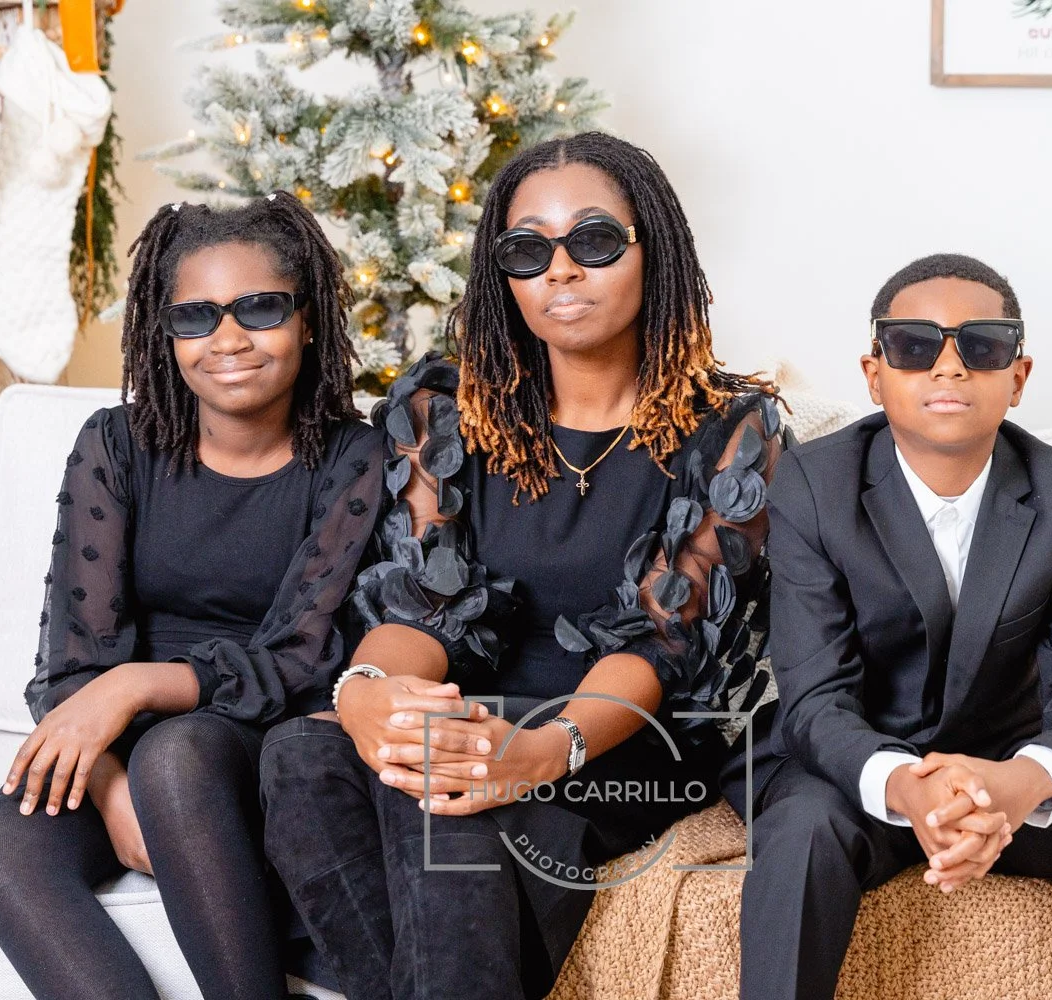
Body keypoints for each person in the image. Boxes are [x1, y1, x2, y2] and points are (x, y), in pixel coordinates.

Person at [258, 131, 785, 1000]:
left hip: (618, 744)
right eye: (528, 248)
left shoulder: (734, 430)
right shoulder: (445, 409)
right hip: (472, 718)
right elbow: (421, 605)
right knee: (300, 757)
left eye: (594, 240)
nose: (561, 270)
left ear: (655, 252)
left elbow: (665, 643)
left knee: (448, 786)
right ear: (502, 273)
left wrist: (540, 751)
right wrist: (370, 696)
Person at [0, 191, 384, 1000]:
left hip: (259, 741)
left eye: (260, 308)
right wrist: (114, 789)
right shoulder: (114, 445)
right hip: (130, 741)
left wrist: (142, 683)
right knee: (0, 850)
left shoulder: (351, 458)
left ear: (308, 320)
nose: (227, 339)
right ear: (167, 332)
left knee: (178, 752)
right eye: (196, 316)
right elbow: (73, 652)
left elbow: (303, 655)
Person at [736, 253, 1052, 1000]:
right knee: (799, 833)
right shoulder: (815, 485)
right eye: (914, 345)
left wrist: (1014, 786)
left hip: (1008, 765)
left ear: (1018, 375)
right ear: (874, 372)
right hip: (857, 772)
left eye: (980, 345)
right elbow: (815, 696)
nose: (949, 366)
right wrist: (909, 788)